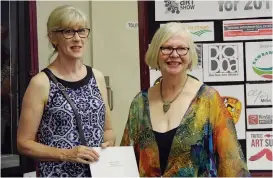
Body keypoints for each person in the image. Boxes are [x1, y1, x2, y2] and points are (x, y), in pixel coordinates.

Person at [120, 22, 250, 177]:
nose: (174, 54)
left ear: (190, 55)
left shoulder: (208, 100)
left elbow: (232, 164)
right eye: (167, 48)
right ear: (156, 52)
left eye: (182, 48)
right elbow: (125, 161)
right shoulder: (140, 104)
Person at [17, 5, 115, 177]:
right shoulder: (41, 83)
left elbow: (108, 130)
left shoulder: (96, 77)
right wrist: (66, 154)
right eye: (68, 32)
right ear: (53, 38)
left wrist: (108, 143)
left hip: (97, 172)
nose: (77, 38)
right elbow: (24, 143)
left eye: (82, 31)